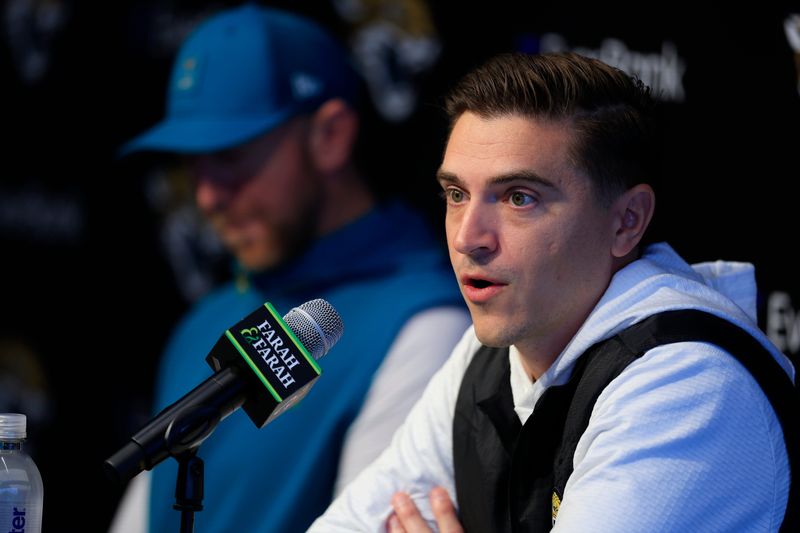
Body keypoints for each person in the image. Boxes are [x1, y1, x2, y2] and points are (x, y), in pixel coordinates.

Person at [308, 52, 797, 532]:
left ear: (627, 221)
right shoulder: (487, 354)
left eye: (520, 198)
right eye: (457, 195)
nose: (466, 237)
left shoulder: (688, 385)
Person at [109, 5, 470, 533]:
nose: (206, 195)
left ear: (330, 136)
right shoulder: (204, 319)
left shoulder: (426, 327)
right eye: (192, 163)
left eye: (231, 154)